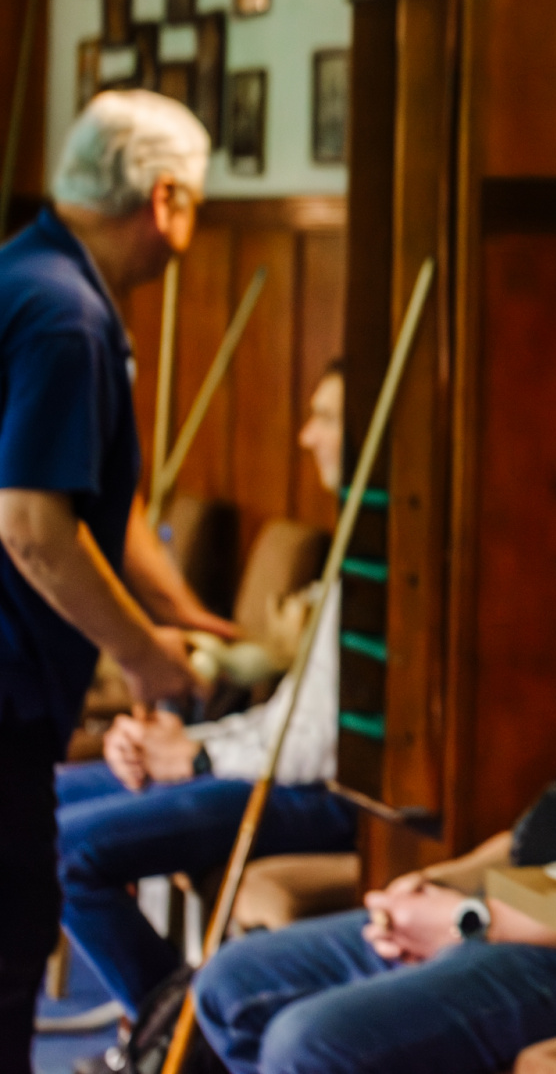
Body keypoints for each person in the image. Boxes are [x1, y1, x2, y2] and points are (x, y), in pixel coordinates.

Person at [192, 444, 556, 1074]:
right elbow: (548, 827)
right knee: (230, 983)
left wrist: (471, 919)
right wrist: (444, 882)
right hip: (512, 910)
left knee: (307, 1042)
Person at [0, 92, 222, 1074]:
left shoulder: (27, 271)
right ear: (163, 199)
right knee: (10, 943)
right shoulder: (68, 316)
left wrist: (181, 615)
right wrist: (143, 657)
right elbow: (33, 527)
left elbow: (99, 504)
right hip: (5, 693)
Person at [56, 366, 353, 1023]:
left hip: (322, 797)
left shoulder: (382, 562)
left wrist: (194, 758)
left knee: (67, 851)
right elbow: (284, 718)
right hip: (268, 765)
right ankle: (176, 1028)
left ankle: (181, 1036)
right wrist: (183, 741)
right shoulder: (352, 543)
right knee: (36, 800)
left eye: (327, 418)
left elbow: (320, 750)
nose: (306, 436)